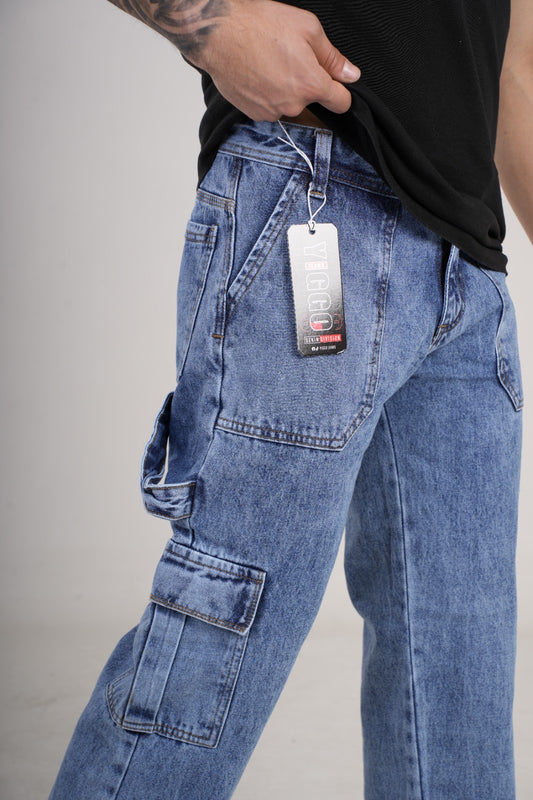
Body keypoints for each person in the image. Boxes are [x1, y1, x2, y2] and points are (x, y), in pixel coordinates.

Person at [49, 1, 532, 798]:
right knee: (222, 632)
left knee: (459, 669)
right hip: (316, 190)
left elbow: (515, 63)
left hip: (470, 273)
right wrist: (216, 22)